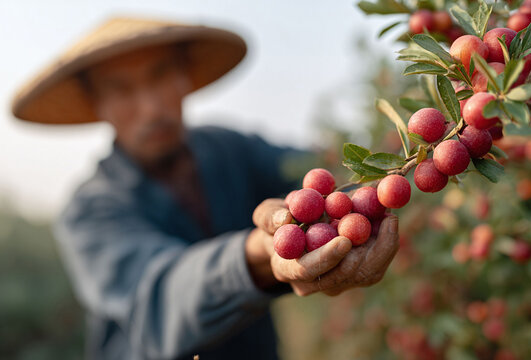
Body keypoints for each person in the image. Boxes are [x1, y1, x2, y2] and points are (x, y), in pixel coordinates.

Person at [11, 16, 400, 360]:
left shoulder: (227, 149)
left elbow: (316, 171)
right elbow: (159, 295)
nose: (150, 107)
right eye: (122, 90)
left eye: (160, 75)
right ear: (98, 104)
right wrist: (256, 256)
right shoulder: (90, 210)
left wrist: (397, 158)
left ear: (184, 77)